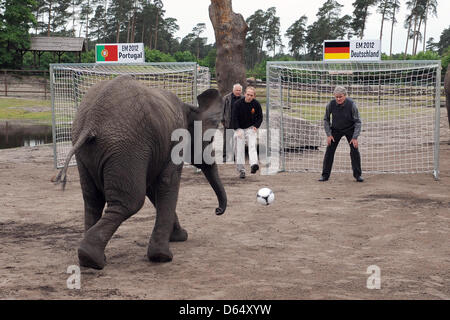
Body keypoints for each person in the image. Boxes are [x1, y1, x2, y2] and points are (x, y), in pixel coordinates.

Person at [319, 86, 364, 182]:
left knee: (354, 150)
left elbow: (358, 121)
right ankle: (325, 175)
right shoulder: (330, 104)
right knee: (329, 150)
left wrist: (355, 137)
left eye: (340, 96)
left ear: (345, 96)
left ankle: (358, 175)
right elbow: (326, 119)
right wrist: (328, 134)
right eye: (336, 97)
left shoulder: (352, 105)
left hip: (350, 129)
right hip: (336, 129)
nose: (338, 99)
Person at [232, 86, 263, 179]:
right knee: (240, 149)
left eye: (251, 95)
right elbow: (234, 118)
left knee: (252, 146)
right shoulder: (238, 104)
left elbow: (260, 117)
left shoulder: (256, 104)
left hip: (250, 128)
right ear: (244, 94)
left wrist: (256, 126)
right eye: (248, 94)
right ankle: (241, 170)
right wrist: (237, 129)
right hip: (240, 128)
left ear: (254, 96)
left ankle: (254, 165)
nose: (249, 96)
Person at [222, 83, 243, 162]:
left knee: (237, 141)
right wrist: (223, 121)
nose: (238, 91)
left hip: (239, 124)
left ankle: (235, 156)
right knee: (227, 141)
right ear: (233, 90)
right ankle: (225, 156)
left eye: (239, 90)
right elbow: (222, 110)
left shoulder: (243, 98)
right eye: (237, 90)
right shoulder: (226, 98)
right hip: (228, 123)